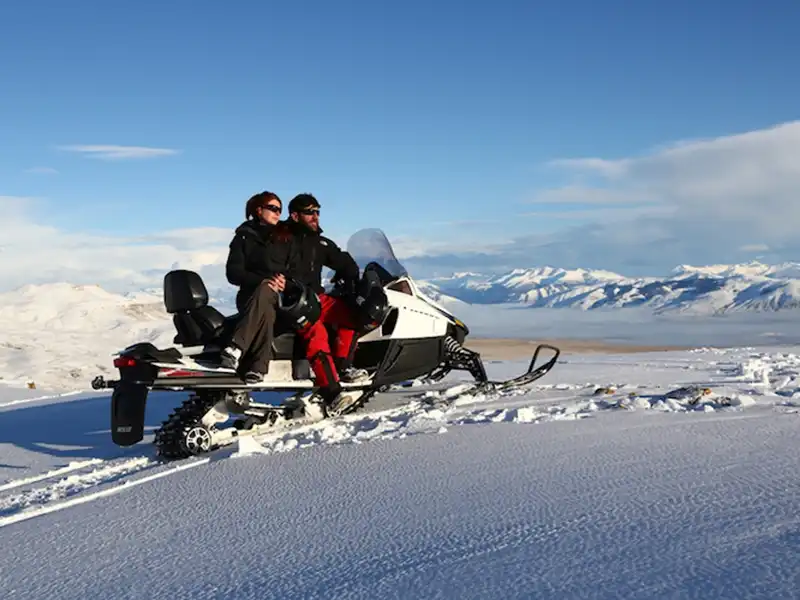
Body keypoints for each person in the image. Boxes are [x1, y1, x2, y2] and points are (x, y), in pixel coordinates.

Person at [274, 193, 370, 413]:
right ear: (295, 215)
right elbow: (272, 265)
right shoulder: (282, 238)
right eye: (310, 212)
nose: (315, 216)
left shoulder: (318, 241)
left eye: (317, 211)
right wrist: (287, 285)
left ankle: (343, 368)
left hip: (317, 297)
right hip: (292, 299)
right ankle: (332, 393)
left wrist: (350, 274)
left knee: (353, 316)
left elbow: (343, 260)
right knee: (317, 335)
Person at [221, 191, 286, 383]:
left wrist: (286, 282)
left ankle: (236, 347)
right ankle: (257, 368)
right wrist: (261, 280)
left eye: (280, 210)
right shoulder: (243, 238)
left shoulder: (284, 237)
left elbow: (293, 266)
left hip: (283, 295)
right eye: (273, 208)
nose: (277, 213)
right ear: (259, 210)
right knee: (265, 302)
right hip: (251, 296)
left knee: (268, 293)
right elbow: (233, 273)